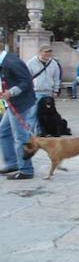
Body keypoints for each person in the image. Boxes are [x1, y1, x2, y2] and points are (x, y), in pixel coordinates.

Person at [0, 41, 38, 180]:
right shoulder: (4, 62)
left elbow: (26, 82)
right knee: (4, 131)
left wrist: (11, 92)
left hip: (20, 103)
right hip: (12, 103)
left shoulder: (12, 62)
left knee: (20, 136)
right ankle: (12, 163)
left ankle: (26, 170)